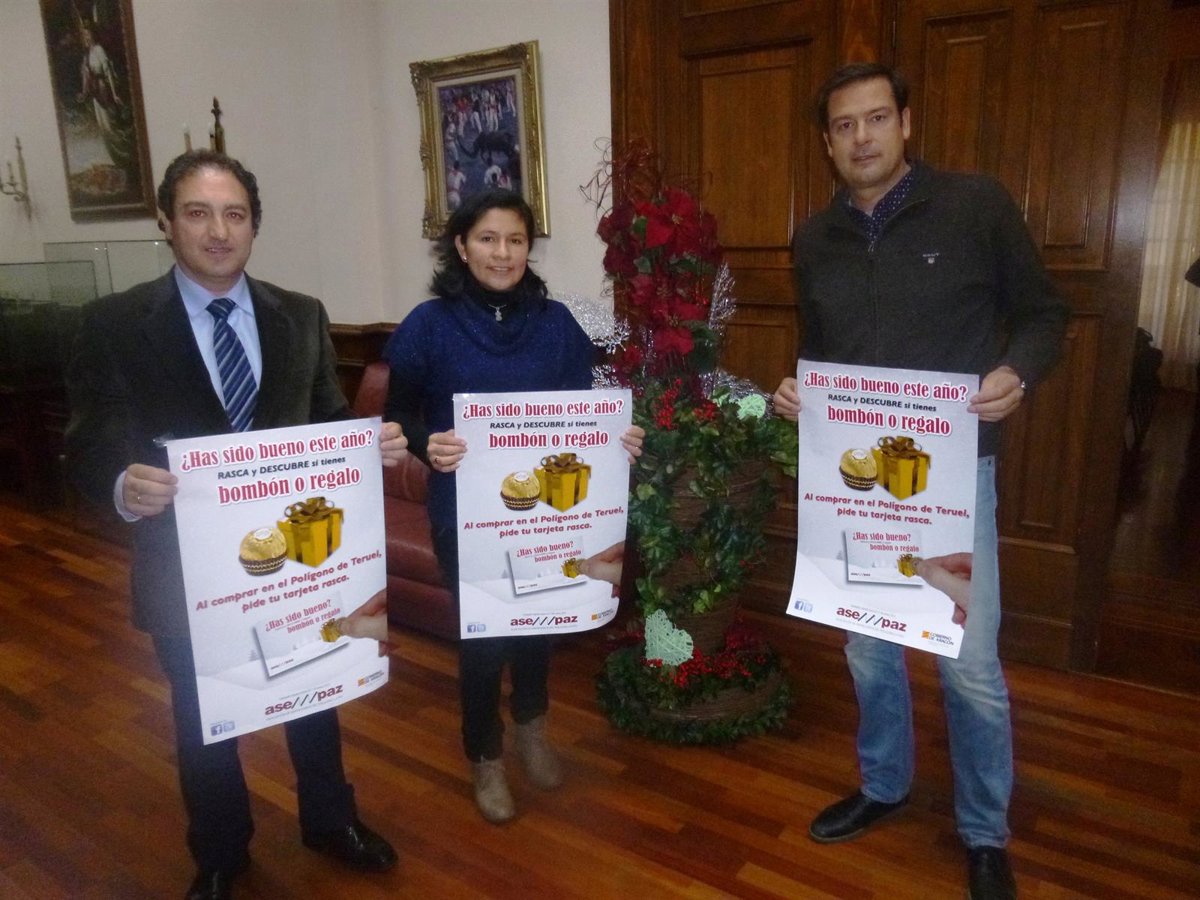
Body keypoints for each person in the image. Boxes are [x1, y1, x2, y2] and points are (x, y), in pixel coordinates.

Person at [65, 150, 407, 900]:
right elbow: (88, 441)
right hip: (185, 569)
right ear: (166, 222)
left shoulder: (301, 315)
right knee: (202, 715)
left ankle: (330, 820)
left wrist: (366, 443)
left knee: (315, 691)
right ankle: (221, 853)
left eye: (235, 215)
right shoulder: (115, 323)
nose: (218, 232)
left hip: (300, 564)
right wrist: (122, 483)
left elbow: (325, 420)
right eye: (198, 213)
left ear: (254, 224)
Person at [773, 63, 1068, 900]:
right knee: (868, 647)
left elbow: (1045, 314)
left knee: (967, 663)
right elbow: (820, 346)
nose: (861, 137)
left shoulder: (976, 206)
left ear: (905, 122)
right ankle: (884, 784)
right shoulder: (814, 239)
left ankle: (984, 831)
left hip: (952, 479)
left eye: (876, 118)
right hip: (853, 481)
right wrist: (799, 389)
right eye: (844, 125)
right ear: (827, 142)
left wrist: (1018, 370)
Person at [383, 189, 642, 825]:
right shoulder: (428, 324)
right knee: (484, 637)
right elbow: (400, 413)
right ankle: (485, 755)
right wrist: (426, 443)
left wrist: (618, 440)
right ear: (461, 246)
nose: (502, 253)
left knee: (538, 623)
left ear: (529, 248)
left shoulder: (557, 324)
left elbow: (582, 417)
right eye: (488, 239)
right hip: (465, 512)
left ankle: (532, 729)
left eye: (516, 240)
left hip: (548, 513)